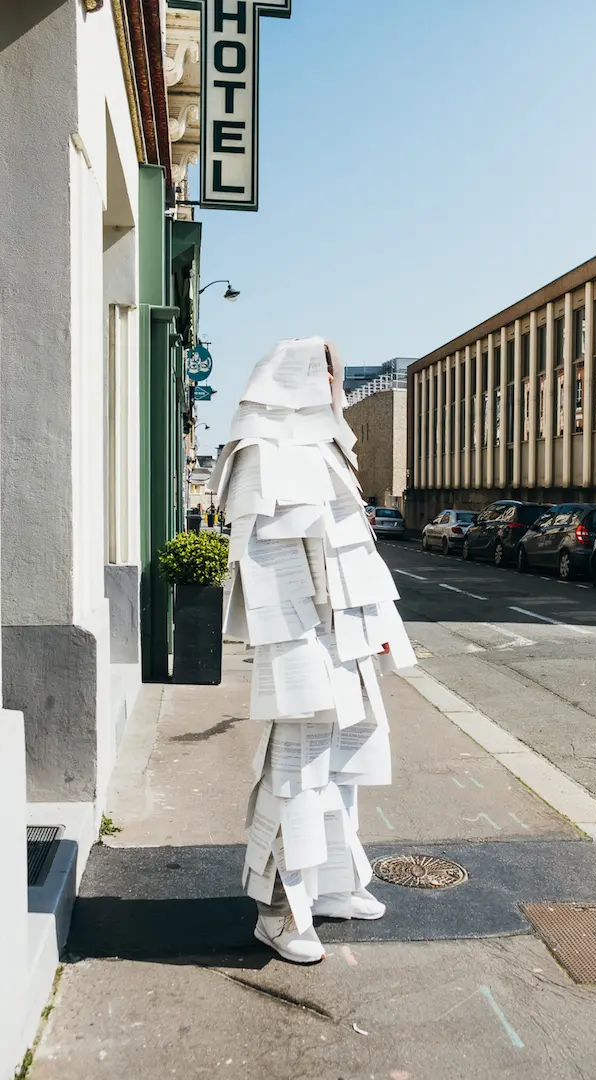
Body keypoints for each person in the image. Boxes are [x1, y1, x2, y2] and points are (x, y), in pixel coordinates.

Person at [213, 337, 416, 963]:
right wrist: (298, 653)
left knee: (344, 773)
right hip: (300, 647)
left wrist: (376, 630)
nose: (336, 384)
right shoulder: (260, 452)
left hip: (346, 646)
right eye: (327, 372)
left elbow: (354, 553)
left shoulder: (330, 452)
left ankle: (330, 888)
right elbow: (264, 566)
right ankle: (277, 913)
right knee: (295, 778)